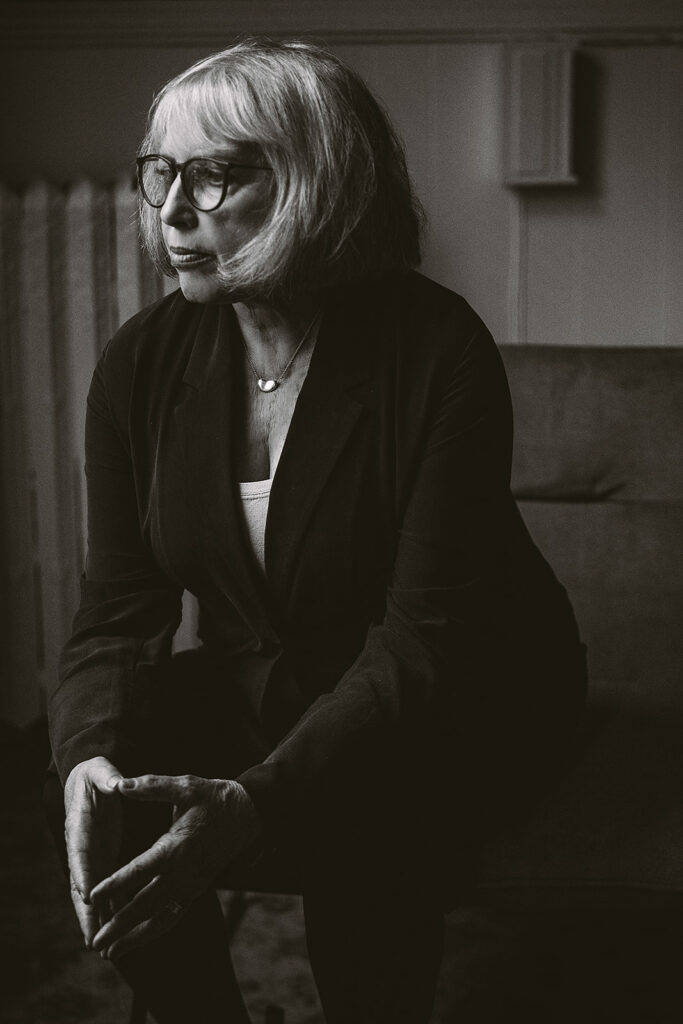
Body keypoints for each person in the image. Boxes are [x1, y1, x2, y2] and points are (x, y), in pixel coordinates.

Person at [44, 37, 587, 1024]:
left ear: (314, 183)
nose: (171, 211)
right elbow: (118, 612)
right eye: (160, 173)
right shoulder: (139, 362)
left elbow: (421, 641)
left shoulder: (437, 348)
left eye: (214, 175)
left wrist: (257, 798)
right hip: (277, 681)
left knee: (362, 799)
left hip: (459, 690)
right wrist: (88, 753)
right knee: (111, 773)